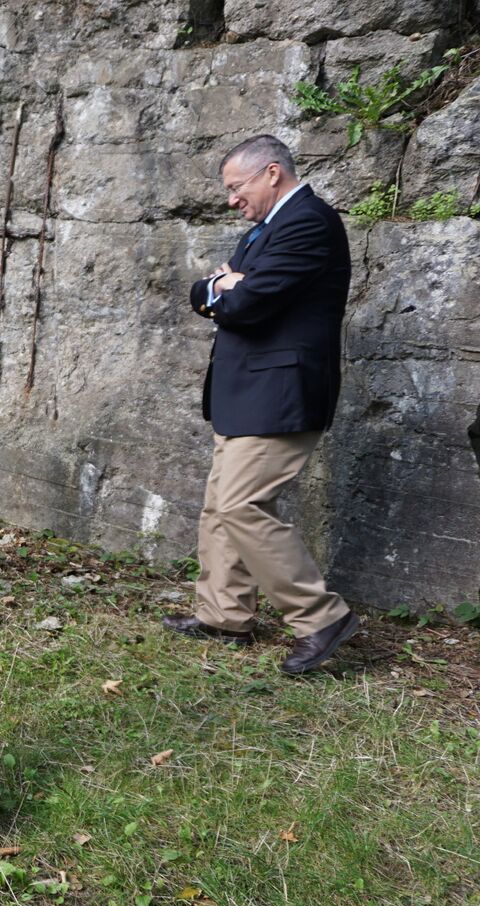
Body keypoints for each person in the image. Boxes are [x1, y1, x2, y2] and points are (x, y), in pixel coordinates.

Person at [164, 134, 360, 674]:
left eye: (237, 186)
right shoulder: (264, 231)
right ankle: (225, 614)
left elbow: (245, 303)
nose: (231, 199)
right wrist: (219, 288)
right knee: (219, 504)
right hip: (248, 392)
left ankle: (321, 618)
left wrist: (230, 290)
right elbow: (208, 292)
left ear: (272, 173)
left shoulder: (308, 222)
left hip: (280, 393)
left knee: (240, 505)